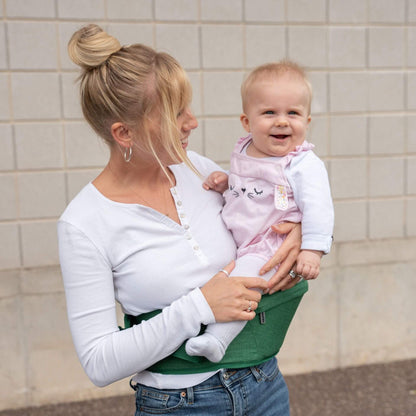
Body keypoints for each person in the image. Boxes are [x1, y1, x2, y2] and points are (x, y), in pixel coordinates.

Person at [58, 24, 305, 416]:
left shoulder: (200, 172)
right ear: (124, 133)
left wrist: (296, 233)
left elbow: (264, 221)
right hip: (181, 404)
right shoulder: (85, 223)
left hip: (264, 384)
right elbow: (99, 362)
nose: (192, 122)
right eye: (175, 114)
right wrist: (200, 305)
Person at [185, 61, 334, 363]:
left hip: (267, 243)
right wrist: (227, 181)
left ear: (307, 119)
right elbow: (251, 185)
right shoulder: (246, 149)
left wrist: (312, 251)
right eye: (269, 113)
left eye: (292, 113)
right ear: (246, 121)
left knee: (244, 285)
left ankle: (217, 339)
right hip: (240, 237)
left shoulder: (302, 164)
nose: (282, 121)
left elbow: (319, 208)